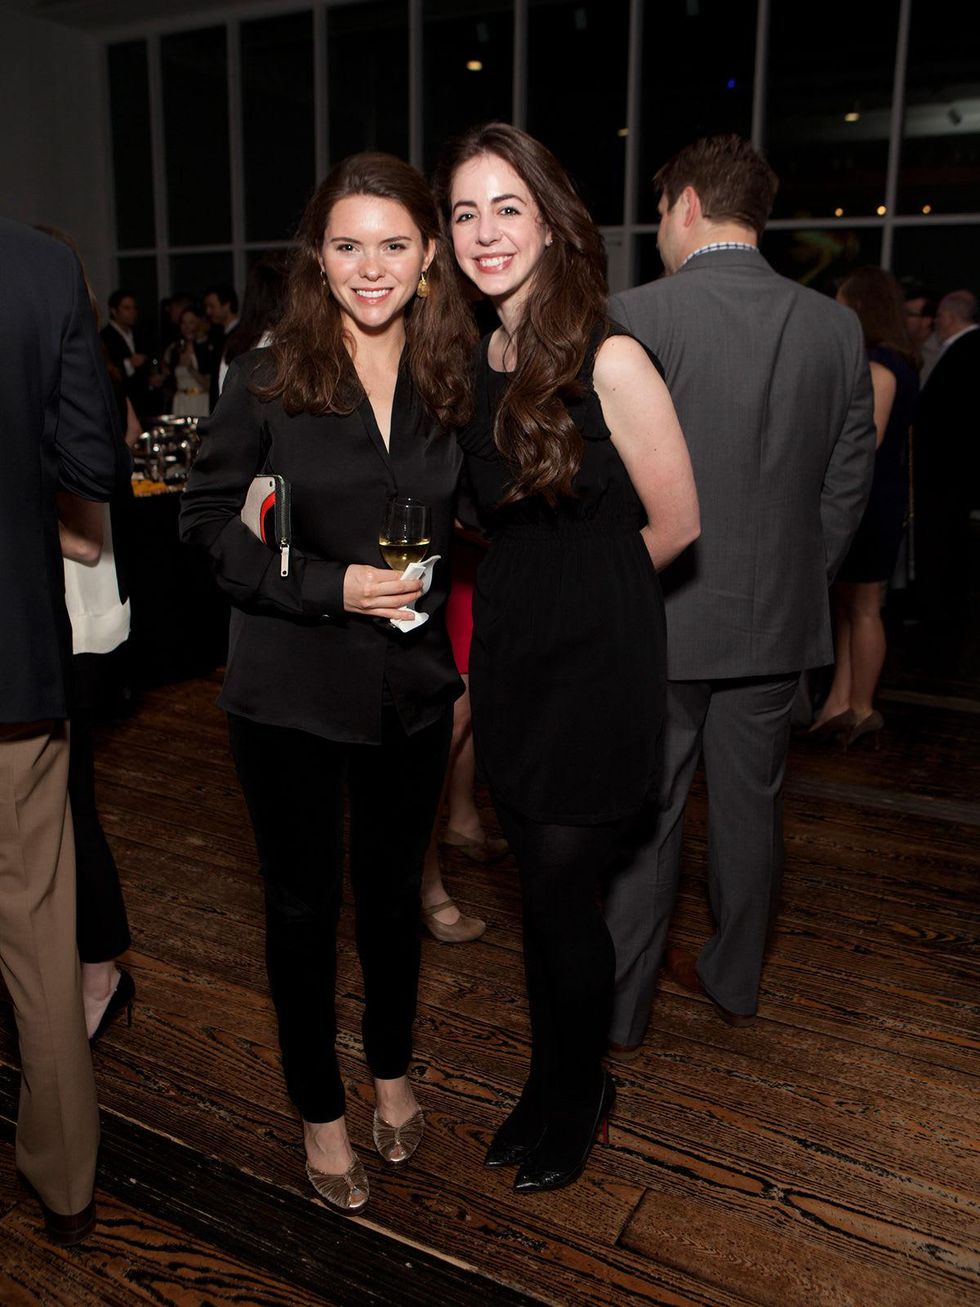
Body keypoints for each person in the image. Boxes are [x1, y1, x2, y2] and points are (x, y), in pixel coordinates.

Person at [180, 153, 475, 1215]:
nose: (370, 266)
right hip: (288, 693)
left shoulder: (453, 378)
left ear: (427, 255)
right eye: (346, 244)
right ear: (318, 256)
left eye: (393, 244)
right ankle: (319, 1109)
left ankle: (391, 1066)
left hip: (410, 690)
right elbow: (207, 526)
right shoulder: (267, 374)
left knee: (393, 901)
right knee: (303, 911)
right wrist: (324, 583)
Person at [435, 123, 699, 1192]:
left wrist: (581, 589)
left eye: (507, 207)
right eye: (464, 211)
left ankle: (576, 1085)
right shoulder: (478, 356)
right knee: (539, 895)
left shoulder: (611, 352)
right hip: (509, 650)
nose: (485, 230)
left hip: (592, 658)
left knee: (557, 883)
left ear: (548, 221)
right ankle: (550, 1079)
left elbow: (677, 520)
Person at [602, 134, 875, 1054]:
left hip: (665, 615)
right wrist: (803, 572)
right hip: (778, 618)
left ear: (683, 204)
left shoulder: (636, 313)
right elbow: (847, 481)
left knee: (650, 814)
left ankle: (623, 1009)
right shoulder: (835, 327)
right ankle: (735, 979)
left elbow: (613, 485)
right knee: (752, 809)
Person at [0, 217, 130, 1245]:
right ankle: (69, 1185)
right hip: (11, 666)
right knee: (39, 933)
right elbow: (92, 457)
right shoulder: (43, 265)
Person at [807, 268, 918, 748]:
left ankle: (863, 706)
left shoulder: (882, 364)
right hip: (875, 496)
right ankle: (840, 703)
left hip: (870, 500)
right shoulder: (897, 360)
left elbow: (864, 442)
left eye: (843, 301)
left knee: (865, 607)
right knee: (850, 607)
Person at [911, 289, 980, 623]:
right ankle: (945, 606)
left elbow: (942, 416)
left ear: (949, 318)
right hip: (956, 469)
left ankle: (936, 610)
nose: (935, 322)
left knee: (940, 538)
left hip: (944, 469)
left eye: (938, 316)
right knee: (952, 536)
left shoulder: (964, 351)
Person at [162, 305, 212, 417]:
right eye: (183, 323)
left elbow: (210, 385)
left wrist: (191, 369)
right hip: (180, 402)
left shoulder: (206, 349)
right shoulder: (174, 349)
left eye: (191, 322)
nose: (186, 327)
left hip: (200, 401)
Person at [202, 282, 240, 408]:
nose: (208, 311)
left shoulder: (239, 336)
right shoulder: (218, 335)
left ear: (226, 305)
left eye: (212, 306)